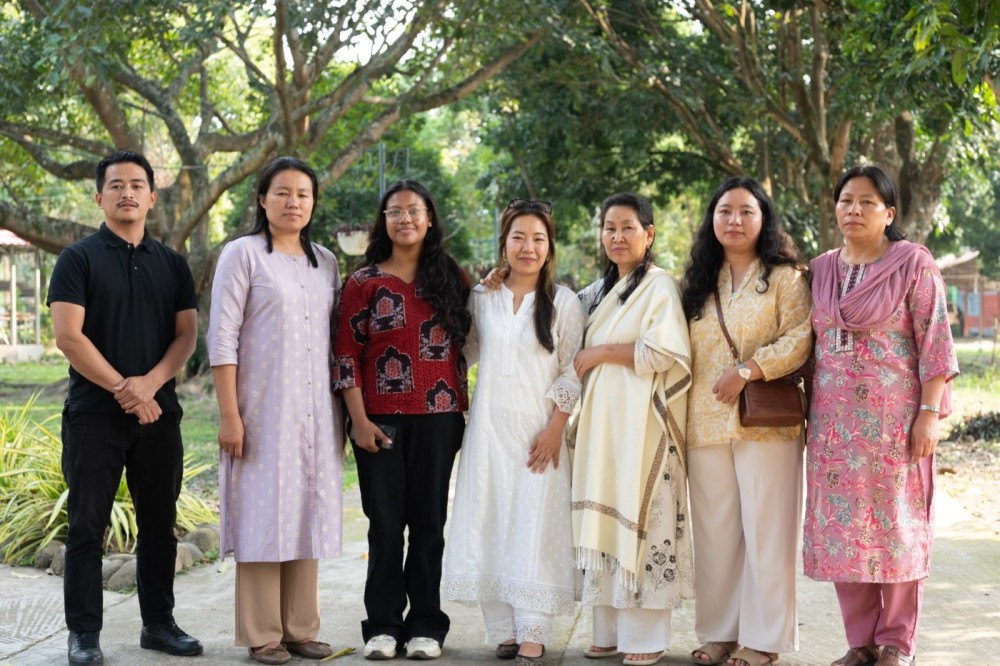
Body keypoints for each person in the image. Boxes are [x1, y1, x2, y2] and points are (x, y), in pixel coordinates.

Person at [48, 150, 202, 664]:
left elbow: (186, 336)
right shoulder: (77, 259)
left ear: (152, 198)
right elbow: (69, 337)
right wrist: (124, 389)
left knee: (159, 523)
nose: (127, 192)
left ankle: (158, 625)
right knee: (86, 527)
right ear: (99, 197)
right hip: (93, 417)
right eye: (116, 185)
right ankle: (83, 634)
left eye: (137, 185)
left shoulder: (173, 264)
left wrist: (151, 386)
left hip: (160, 416)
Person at [803, 164, 959, 666]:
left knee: (898, 529)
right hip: (832, 429)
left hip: (895, 428)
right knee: (843, 530)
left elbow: (936, 343)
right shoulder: (820, 270)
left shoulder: (913, 264)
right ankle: (861, 643)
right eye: (846, 200)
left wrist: (928, 414)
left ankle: (896, 643)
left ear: (889, 213)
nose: (854, 209)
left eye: (867, 202)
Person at [207, 157, 343, 665]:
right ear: (262, 199)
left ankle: (301, 629)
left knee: (305, 512)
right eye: (282, 192)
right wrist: (230, 414)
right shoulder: (241, 254)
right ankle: (263, 632)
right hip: (261, 411)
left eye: (303, 194)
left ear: (313, 203)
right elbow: (222, 337)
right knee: (263, 514)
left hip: (316, 413)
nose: (293, 202)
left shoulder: (325, 261)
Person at [332, 180, 470, 661]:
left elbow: (480, 333)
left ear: (429, 218)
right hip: (380, 422)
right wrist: (358, 421)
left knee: (430, 526)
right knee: (386, 528)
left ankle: (427, 625)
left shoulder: (452, 277)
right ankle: (384, 626)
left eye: (414, 210)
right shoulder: (363, 282)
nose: (405, 218)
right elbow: (345, 356)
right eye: (395, 211)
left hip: (439, 418)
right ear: (384, 220)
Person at [443, 200, 586, 665]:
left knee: (534, 527)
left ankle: (533, 632)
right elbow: (461, 353)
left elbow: (573, 370)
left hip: (538, 436)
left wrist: (556, 427)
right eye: (518, 237)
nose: (528, 247)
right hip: (487, 434)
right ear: (503, 243)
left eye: (538, 239)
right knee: (491, 523)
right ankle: (504, 630)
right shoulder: (482, 298)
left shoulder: (564, 303)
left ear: (550, 247)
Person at [679, 177, 813, 666]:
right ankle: (719, 633)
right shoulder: (696, 284)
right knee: (715, 534)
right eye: (725, 211)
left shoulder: (786, 278)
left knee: (767, 532)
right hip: (704, 423)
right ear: (712, 219)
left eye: (746, 211)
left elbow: (800, 337)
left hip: (767, 423)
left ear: (764, 219)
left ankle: (764, 639)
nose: (734, 220)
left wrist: (748, 370)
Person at [571, 193, 693, 666]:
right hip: (603, 428)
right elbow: (556, 308)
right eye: (609, 228)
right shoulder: (599, 291)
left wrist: (601, 353)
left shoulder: (659, 286)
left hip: (645, 429)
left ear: (649, 233)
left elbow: (664, 352)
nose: (617, 236)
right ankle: (607, 631)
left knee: (646, 524)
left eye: (628, 227)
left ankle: (644, 638)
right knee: (603, 521)